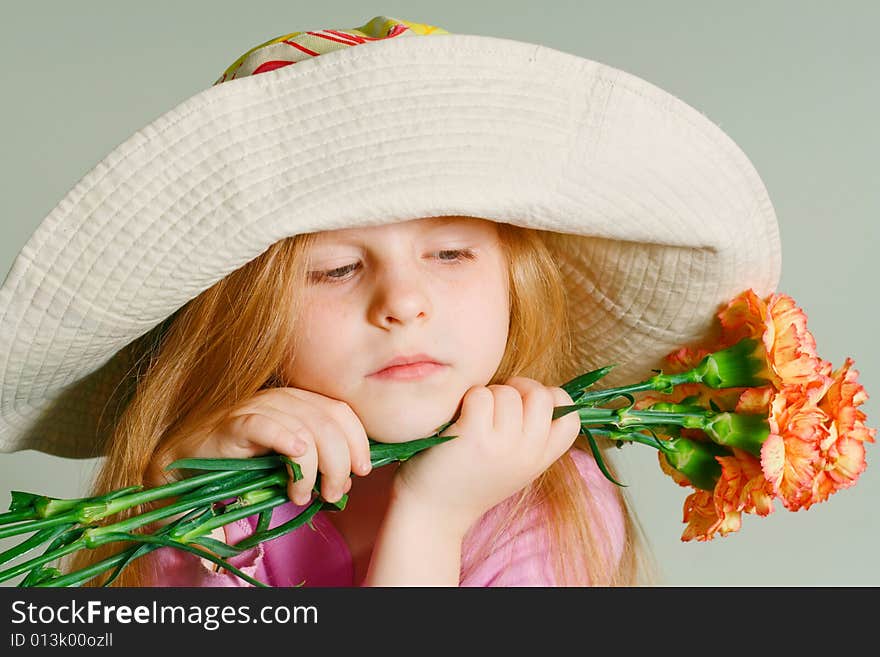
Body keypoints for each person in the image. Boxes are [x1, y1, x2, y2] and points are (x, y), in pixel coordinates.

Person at [0, 16, 781, 587]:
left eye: (448, 253)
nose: (403, 302)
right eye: (336, 269)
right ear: (250, 323)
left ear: (516, 280)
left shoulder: (542, 497)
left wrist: (434, 515)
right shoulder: (221, 477)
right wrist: (178, 491)